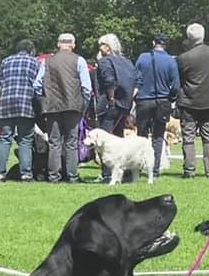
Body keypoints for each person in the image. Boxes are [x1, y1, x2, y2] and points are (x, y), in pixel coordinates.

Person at [34, 33, 92, 183]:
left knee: (54, 142)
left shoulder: (47, 61)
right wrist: (83, 105)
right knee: (71, 142)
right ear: (73, 45)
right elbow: (86, 87)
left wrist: (44, 100)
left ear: (58, 44)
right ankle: (72, 175)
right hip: (73, 106)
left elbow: (37, 85)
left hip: (52, 107)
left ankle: (54, 176)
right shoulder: (79, 60)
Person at [176, 23, 209, 179]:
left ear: (189, 38)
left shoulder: (183, 58)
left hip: (188, 101)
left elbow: (180, 79)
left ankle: (189, 171)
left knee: (188, 136)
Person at [134, 33, 179, 179]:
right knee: (158, 136)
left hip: (143, 100)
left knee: (141, 136)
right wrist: (170, 98)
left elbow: (136, 78)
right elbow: (175, 86)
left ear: (153, 43)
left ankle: (139, 167)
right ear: (166, 45)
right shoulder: (171, 61)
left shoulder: (142, 58)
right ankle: (154, 170)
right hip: (162, 101)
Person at [0, 39, 40, 182]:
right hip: (26, 104)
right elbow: (39, 84)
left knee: (4, 138)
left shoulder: (6, 61)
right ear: (32, 50)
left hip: (6, 104)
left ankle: (0, 173)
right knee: (25, 140)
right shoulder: (35, 63)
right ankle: (25, 174)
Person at [95, 33, 136, 182]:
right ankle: (125, 173)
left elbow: (109, 81)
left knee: (105, 140)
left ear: (107, 47)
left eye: (101, 46)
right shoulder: (127, 62)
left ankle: (107, 174)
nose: (99, 49)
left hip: (109, 104)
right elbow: (137, 79)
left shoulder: (105, 61)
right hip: (125, 105)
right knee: (120, 139)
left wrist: (111, 99)